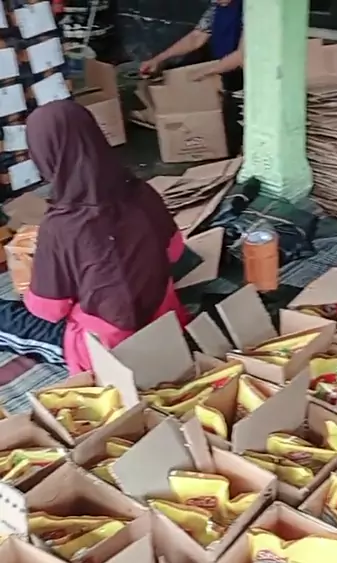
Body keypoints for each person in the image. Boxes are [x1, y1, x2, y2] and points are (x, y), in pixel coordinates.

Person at [0, 99, 189, 374]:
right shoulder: (142, 192)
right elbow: (175, 251)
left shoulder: (62, 226)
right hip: (166, 323)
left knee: (8, 317)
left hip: (107, 349)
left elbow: (48, 310)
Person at [134, 0, 243, 155]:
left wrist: (206, 72)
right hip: (222, 69)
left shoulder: (251, 10)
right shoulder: (216, 7)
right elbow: (197, 37)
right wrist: (158, 60)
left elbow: (241, 55)